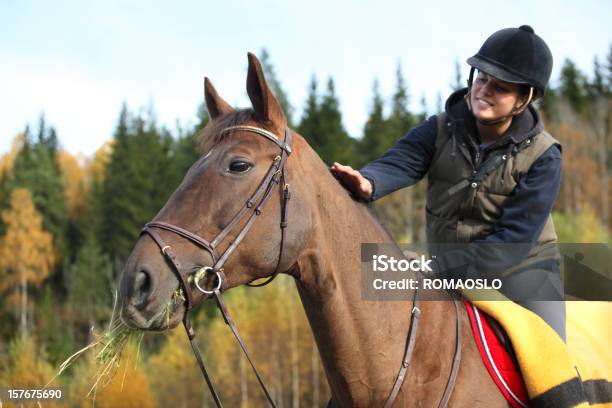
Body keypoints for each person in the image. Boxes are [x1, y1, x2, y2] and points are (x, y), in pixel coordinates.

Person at [330, 25, 566, 341]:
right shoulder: (439, 128)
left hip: (523, 272)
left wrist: (438, 266)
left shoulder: (545, 157)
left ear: (524, 99)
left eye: (500, 87)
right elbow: (403, 160)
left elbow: (512, 244)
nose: (484, 90)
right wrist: (369, 182)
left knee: (551, 357)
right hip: (448, 267)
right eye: (482, 78)